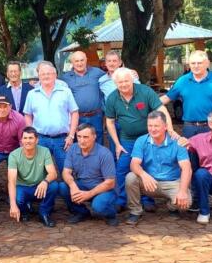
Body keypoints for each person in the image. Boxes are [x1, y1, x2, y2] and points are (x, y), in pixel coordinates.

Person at [104, 68, 178, 209]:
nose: (124, 84)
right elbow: (110, 122)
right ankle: (121, 200)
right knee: (121, 169)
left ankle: (147, 200)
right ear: (115, 83)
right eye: (120, 82)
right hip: (127, 140)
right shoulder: (112, 98)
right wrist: (117, 144)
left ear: (132, 80)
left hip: (148, 138)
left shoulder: (145, 92)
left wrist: (170, 129)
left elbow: (162, 110)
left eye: (126, 81)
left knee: (147, 167)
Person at [125, 111, 192, 225]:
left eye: (156, 126)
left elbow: (187, 169)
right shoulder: (141, 140)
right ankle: (135, 211)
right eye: (150, 126)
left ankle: (172, 207)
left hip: (172, 182)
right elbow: (134, 164)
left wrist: (182, 191)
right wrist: (144, 175)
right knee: (130, 178)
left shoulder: (177, 142)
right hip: (150, 182)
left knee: (186, 203)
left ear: (165, 127)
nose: (153, 129)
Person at [160, 50, 212, 139]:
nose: (196, 66)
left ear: (207, 63)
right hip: (189, 128)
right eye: (193, 63)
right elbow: (166, 98)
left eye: (199, 63)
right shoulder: (183, 81)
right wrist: (147, 102)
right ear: (189, 65)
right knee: (189, 153)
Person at [23, 61, 79, 176]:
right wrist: (31, 135)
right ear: (39, 76)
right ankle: (43, 194)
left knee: (66, 172)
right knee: (39, 172)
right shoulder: (32, 94)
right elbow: (27, 115)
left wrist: (71, 135)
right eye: (43, 74)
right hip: (41, 139)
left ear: (55, 75)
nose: (46, 76)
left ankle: (68, 193)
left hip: (62, 140)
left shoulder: (65, 92)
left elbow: (74, 113)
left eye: (49, 73)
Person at [59, 124, 119, 225]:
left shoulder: (104, 153)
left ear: (94, 137)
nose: (82, 141)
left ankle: (111, 214)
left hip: (104, 189)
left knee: (98, 206)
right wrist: (73, 186)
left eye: (85, 137)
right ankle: (82, 212)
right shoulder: (73, 149)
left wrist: (89, 194)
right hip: (82, 185)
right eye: (79, 137)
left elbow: (110, 182)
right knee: (62, 187)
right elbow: (66, 172)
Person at [7, 127, 58, 227]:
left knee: (54, 186)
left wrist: (45, 182)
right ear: (21, 140)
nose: (28, 141)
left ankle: (44, 213)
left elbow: (53, 173)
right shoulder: (14, 155)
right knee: (17, 199)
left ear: (37, 140)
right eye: (25, 138)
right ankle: (24, 211)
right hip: (22, 187)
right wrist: (12, 205)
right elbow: (11, 181)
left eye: (31, 138)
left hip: (39, 186)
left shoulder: (45, 151)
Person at [61, 51, 106, 145]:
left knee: (97, 140)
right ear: (72, 62)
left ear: (86, 60)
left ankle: (98, 160)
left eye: (82, 60)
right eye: (76, 61)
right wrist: (35, 84)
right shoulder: (65, 78)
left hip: (96, 116)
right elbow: (51, 83)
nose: (79, 63)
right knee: (79, 143)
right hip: (77, 117)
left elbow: (112, 75)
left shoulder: (97, 72)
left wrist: (131, 72)